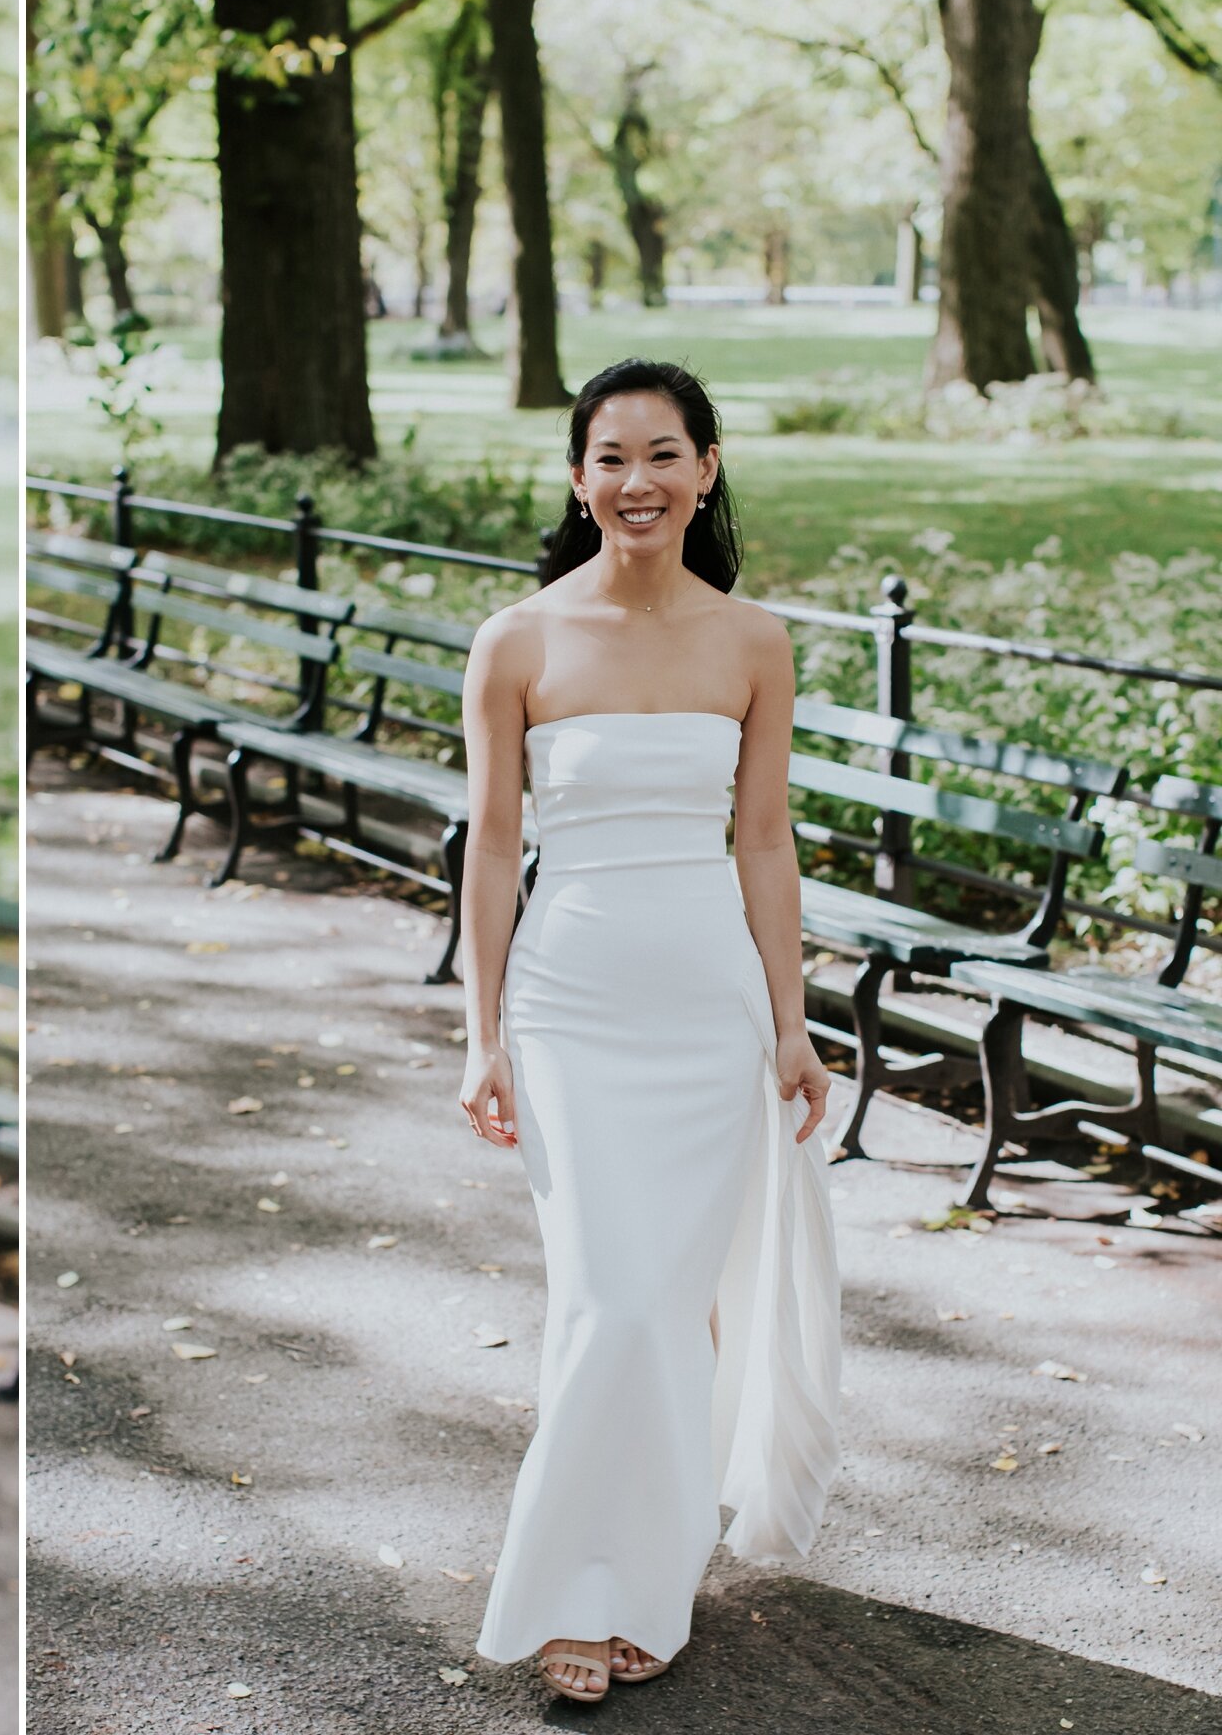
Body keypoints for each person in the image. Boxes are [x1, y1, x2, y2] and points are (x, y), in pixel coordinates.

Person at [455, 358, 843, 1701]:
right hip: (570, 1005)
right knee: (610, 1299)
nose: (638, 482)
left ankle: (645, 1569)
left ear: (707, 470)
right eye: (611, 459)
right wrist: (482, 1033)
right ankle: (574, 1584)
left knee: (675, 1307)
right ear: (578, 480)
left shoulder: (754, 641)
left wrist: (791, 1025)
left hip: (708, 1006)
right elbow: (495, 849)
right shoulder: (517, 641)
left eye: (664, 454)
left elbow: (765, 841)